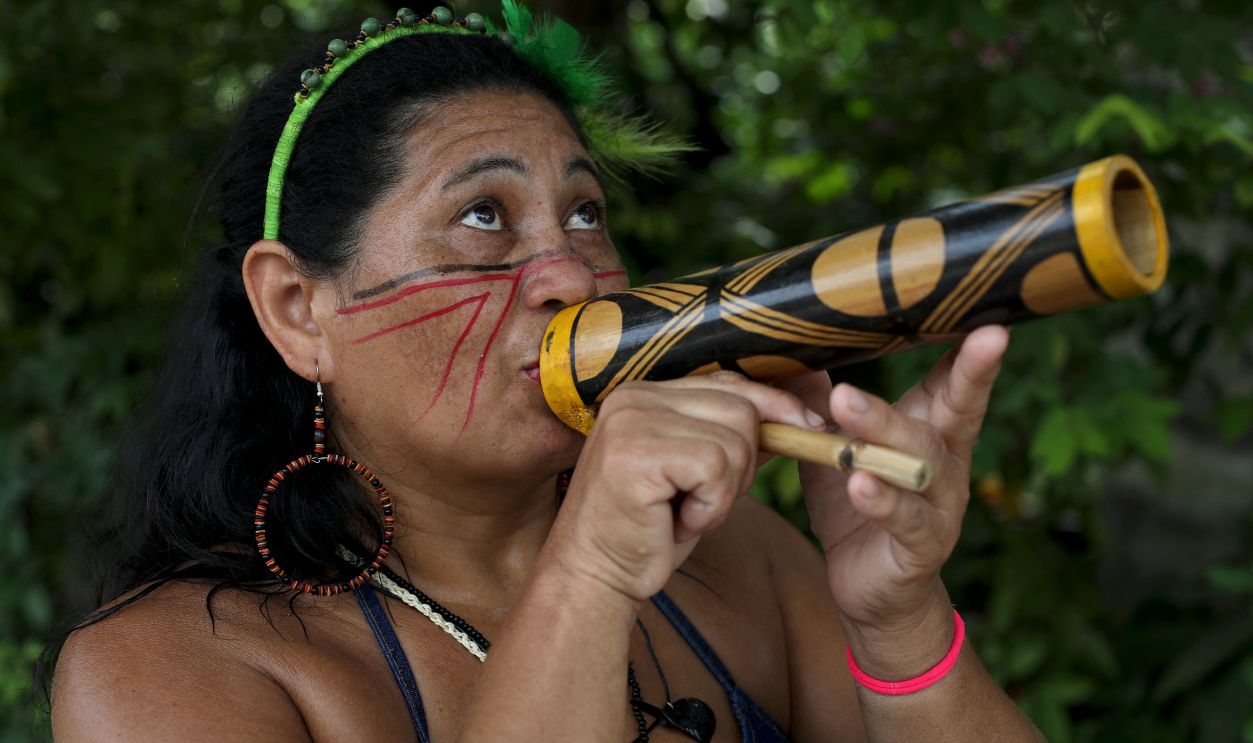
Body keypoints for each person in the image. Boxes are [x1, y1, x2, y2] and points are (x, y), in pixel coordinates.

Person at [50, 5, 1045, 741]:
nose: (571, 272)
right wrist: (592, 572)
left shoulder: (739, 554)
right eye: (483, 217)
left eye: (584, 215)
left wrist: (897, 621)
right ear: (298, 309)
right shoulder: (165, 671)